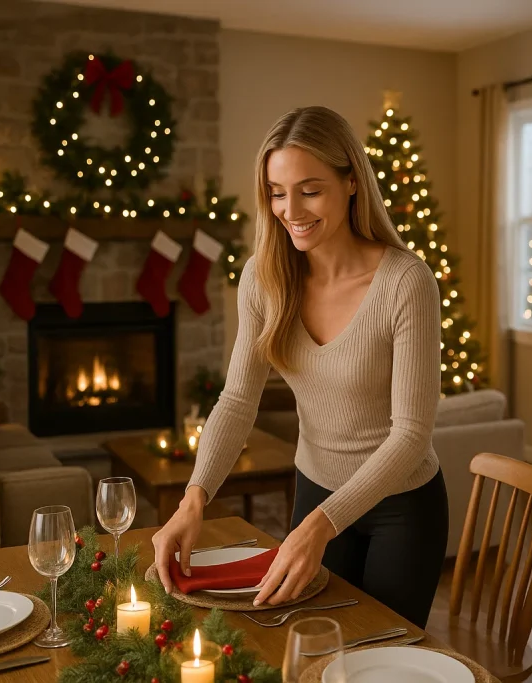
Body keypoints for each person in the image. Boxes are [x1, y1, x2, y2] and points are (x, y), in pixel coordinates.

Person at [152, 106, 448, 629]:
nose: (291, 210)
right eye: (277, 192)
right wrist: (193, 499)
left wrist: (320, 526)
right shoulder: (263, 279)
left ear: (351, 182)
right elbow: (236, 400)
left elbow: (410, 434)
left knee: (380, 654)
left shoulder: (407, 282)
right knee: (310, 644)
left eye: (310, 190)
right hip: (314, 491)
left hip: (401, 508)